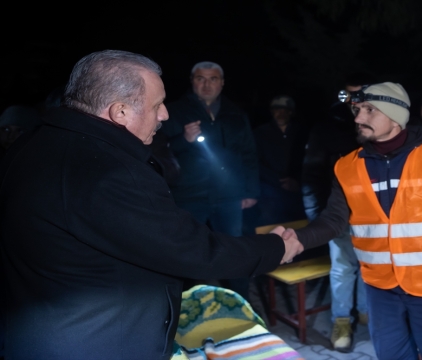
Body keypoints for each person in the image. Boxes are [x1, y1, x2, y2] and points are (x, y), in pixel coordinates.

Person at [0, 50, 303, 359]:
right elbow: (193, 251)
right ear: (120, 112)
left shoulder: (31, 144)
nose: (164, 115)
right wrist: (275, 248)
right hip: (93, 342)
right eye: (157, 105)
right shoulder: (110, 172)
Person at [285, 82, 422, 359]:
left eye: (369, 111)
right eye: (358, 110)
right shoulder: (347, 166)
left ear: (395, 117)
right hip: (380, 287)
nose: (358, 118)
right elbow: (334, 220)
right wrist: (298, 240)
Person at [160, 61, 259, 301]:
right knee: (186, 254)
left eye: (213, 79)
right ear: (192, 81)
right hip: (189, 195)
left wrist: (251, 190)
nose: (207, 84)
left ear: (222, 83)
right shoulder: (173, 110)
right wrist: (183, 139)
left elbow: (249, 152)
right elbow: (158, 152)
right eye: (201, 79)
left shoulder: (236, 112)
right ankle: (182, 313)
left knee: (234, 252)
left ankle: (242, 307)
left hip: (229, 196)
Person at [301, 74, 373, 352]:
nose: (353, 101)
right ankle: (342, 320)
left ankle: (366, 311)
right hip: (339, 213)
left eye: (359, 95)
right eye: (348, 95)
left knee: (371, 265)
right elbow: (312, 172)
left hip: (374, 214)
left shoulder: (378, 123)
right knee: (343, 269)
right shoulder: (326, 127)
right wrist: (316, 215)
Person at [253, 95, 309, 225]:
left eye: (286, 110)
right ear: (272, 111)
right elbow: (255, 161)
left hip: (297, 190)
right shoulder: (260, 133)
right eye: (277, 109)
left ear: (291, 112)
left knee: (299, 227)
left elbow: (309, 159)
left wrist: (296, 181)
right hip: (269, 191)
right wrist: (278, 181)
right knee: (271, 227)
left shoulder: (302, 132)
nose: (281, 113)